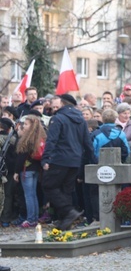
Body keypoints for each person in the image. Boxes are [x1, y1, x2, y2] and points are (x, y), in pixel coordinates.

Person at [41, 94, 93, 230]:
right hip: (75, 160)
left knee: (49, 185)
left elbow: (51, 140)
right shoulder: (81, 119)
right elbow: (87, 142)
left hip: (60, 159)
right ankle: (65, 222)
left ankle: (69, 212)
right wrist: (92, 159)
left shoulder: (58, 118)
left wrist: (46, 159)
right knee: (66, 190)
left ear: (62, 104)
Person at [13, 114, 46, 228]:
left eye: (26, 124)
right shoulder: (39, 137)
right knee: (33, 195)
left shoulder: (27, 139)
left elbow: (21, 157)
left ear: (32, 126)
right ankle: (34, 217)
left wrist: (16, 172)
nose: (24, 126)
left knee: (29, 195)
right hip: (35, 169)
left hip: (26, 170)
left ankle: (31, 219)